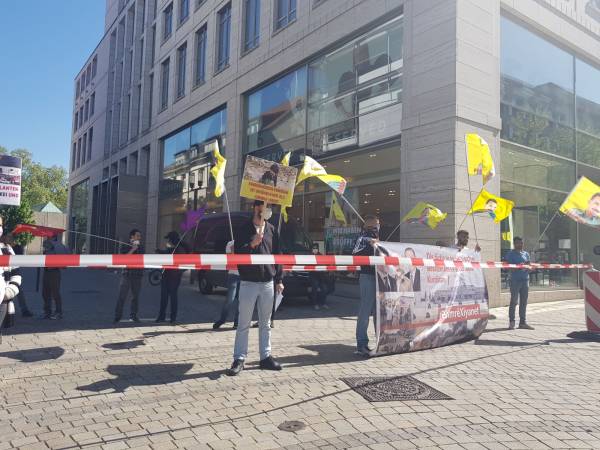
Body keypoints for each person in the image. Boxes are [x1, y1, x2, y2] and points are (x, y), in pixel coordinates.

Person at [226, 200, 284, 376]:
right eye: (263, 206)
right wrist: (252, 244)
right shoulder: (244, 228)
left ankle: (265, 357)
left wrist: (279, 279)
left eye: (269, 206)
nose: (267, 209)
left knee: (265, 324)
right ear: (255, 208)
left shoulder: (272, 230)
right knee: (244, 323)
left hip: (267, 283)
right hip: (248, 282)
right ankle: (239, 358)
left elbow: (278, 255)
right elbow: (238, 253)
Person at [352, 215, 380, 357]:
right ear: (371, 225)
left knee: (378, 312)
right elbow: (355, 252)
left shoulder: (377, 238)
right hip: (368, 277)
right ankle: (361, 344)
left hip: (379, 277)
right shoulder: (362, 238)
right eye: (377, 224)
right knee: (365, 310)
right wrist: (370, 244)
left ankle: (380, 341)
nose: (379, 226)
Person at [156, 231, 188, 324]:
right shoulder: (172, 247)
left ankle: (172, 318)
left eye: (169, 239)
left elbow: (179, 262)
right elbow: (167, 254)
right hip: (167, 274)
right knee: (164, 297)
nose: (168, 241)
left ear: (172, 239)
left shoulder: (180, 249)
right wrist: (160, 251)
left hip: (174, 276)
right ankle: (162, 316)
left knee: (172, 297)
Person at [114, 229, 145, 323]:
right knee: (122, 296)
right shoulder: (125, 245)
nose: (139, 238)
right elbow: (123, 258)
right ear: (132, 236)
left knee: (135, 297)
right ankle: (117, 316)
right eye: (137, 236)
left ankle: (133, 316)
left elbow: (142, 259)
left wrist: (137, 249)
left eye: (140, 236)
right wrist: (132, 249)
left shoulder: (141, 247)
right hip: (127, 274)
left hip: (137, 275)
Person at [504, 237, 534, 330]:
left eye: (521, 243)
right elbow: (507, 267)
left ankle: (522, 322)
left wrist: (530, 267)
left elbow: (529, 268)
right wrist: (519, 266)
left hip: (525, 280)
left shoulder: (526, 254)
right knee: (514, 301)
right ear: (514, 244)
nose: (520, 245)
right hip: (514, 280)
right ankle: (512, 322)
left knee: (524, 302)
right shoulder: (510, 254)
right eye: (518, 243)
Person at [0, 216, 22, 336]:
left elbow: (16, 272)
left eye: (0, 225)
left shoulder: (7, 249)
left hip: (3, 299)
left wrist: (10, 290)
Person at [2, 234, 32, 317]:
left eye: (9, 237)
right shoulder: (3, 247)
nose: (6, 239)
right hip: (4, 273)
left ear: (12, 238)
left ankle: (24, 310)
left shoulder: (17, 247)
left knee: (18, 291)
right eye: (6, 237)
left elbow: (19, 260)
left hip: (14, 273)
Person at [213, 239, 240, 329]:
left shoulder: (247, 242)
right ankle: (222, 319)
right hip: (233, 274)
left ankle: (237, 322)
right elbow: (228, 259)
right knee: (229, 299)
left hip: (244, 275)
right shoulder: (230, 243)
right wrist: (232, 251)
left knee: (241, 300)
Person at [42, 235, 69, 320]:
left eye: (49, 236)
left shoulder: (58, 246)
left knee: (55, 293)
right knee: (45, 293)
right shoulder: (46, 246)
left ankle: (58, 312)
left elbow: (63, 258)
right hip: (46, 271)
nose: (47, 238)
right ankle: (47, 312)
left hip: (54, 272)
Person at [308, 243, 330, 310]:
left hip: (320, 276)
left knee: (324, 289)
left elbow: (324, 264)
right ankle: (315, 304)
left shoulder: (320, 255)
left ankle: (323, 303)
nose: (315, 250)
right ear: (311, 249)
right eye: (314, 248)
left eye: (316, 248)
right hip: (313, 275)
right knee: (315, 288)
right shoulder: (309, 256)